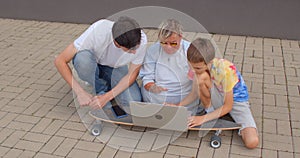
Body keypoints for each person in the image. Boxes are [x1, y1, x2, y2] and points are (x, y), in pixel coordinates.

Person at [174, 38, 259, 149]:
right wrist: (177, 105)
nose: (193, 70)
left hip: (236, 100)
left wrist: (202, 119)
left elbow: (228, 106)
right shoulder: (195, 67)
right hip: (216, 97)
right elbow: (194, 93)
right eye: (191, 66)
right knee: (200, 78)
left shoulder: (225, 70)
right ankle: (212, 112)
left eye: (198, 68)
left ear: (210, 62)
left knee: (252, 142)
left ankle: (213, 115)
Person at [54, 16, 147, 112]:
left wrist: (107, 97)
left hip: (115, 68)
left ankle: (105, 91)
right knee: (82, 59)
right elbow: (60, 61)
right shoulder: (98, 31)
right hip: (92, 63)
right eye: (130, 50)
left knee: (133, 100)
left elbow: (132, 75)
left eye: (136, 47)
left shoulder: (141, 39)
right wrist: (80, 93)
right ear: (116, 43)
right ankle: (100, 88)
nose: (135, 52)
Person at [139, 19, 198, 112]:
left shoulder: (190, 50)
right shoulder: (153, 50)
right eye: (164, 43)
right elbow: (147, 76)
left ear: (180, 37)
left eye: (173, 43)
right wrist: (152, 86)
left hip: (184, 94)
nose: (168, 47)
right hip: (159, 95)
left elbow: (199, 78)